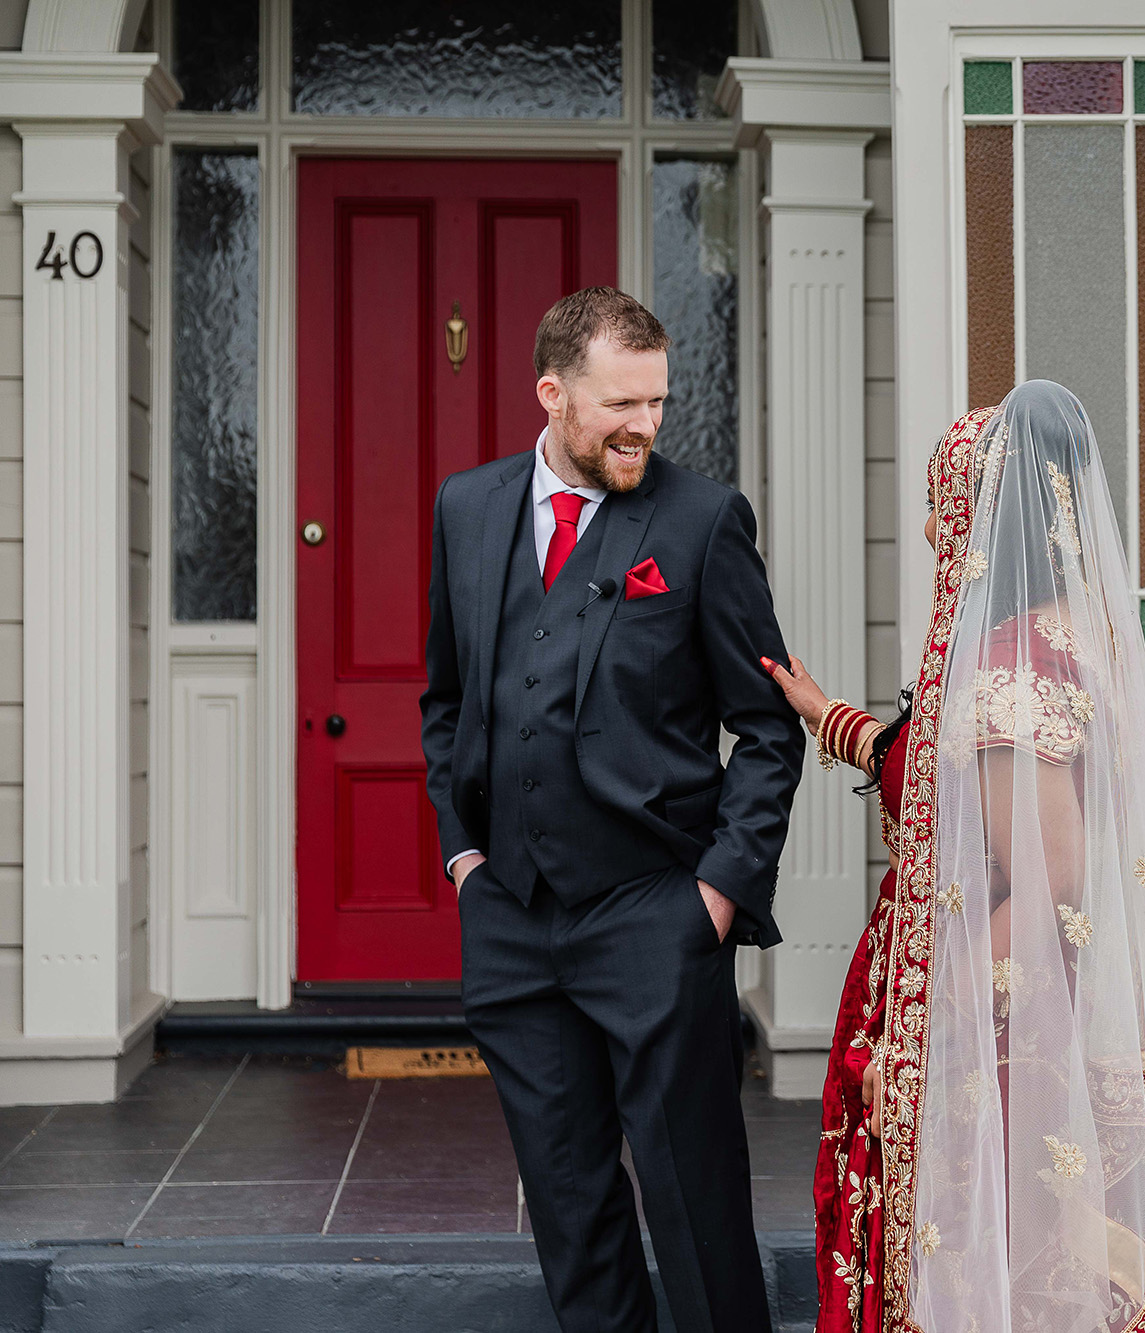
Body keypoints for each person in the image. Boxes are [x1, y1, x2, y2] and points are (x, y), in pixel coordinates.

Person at [766, 380, 1145, 1333]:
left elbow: (1044, 876)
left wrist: (927, 1038)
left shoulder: (1009, 671)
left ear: (980, 523)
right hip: (1022, 1002)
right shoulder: (1056, 641)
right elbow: (953, 793)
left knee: (1007, 1265)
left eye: (939, 503)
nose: (928, 527)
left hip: (1005, 1027)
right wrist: (833, 722)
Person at [420, 286, 805, 1333]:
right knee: (570, 1208)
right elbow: (445, 701)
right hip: (510, 920)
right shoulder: (467, 508)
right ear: (552, 394)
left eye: (658, 403)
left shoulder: (699, 521)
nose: (644, 425)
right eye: (620, 404)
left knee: (695, 1211)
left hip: (655, 916)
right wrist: (463, 859)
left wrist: (717, 895)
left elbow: (767, 728)